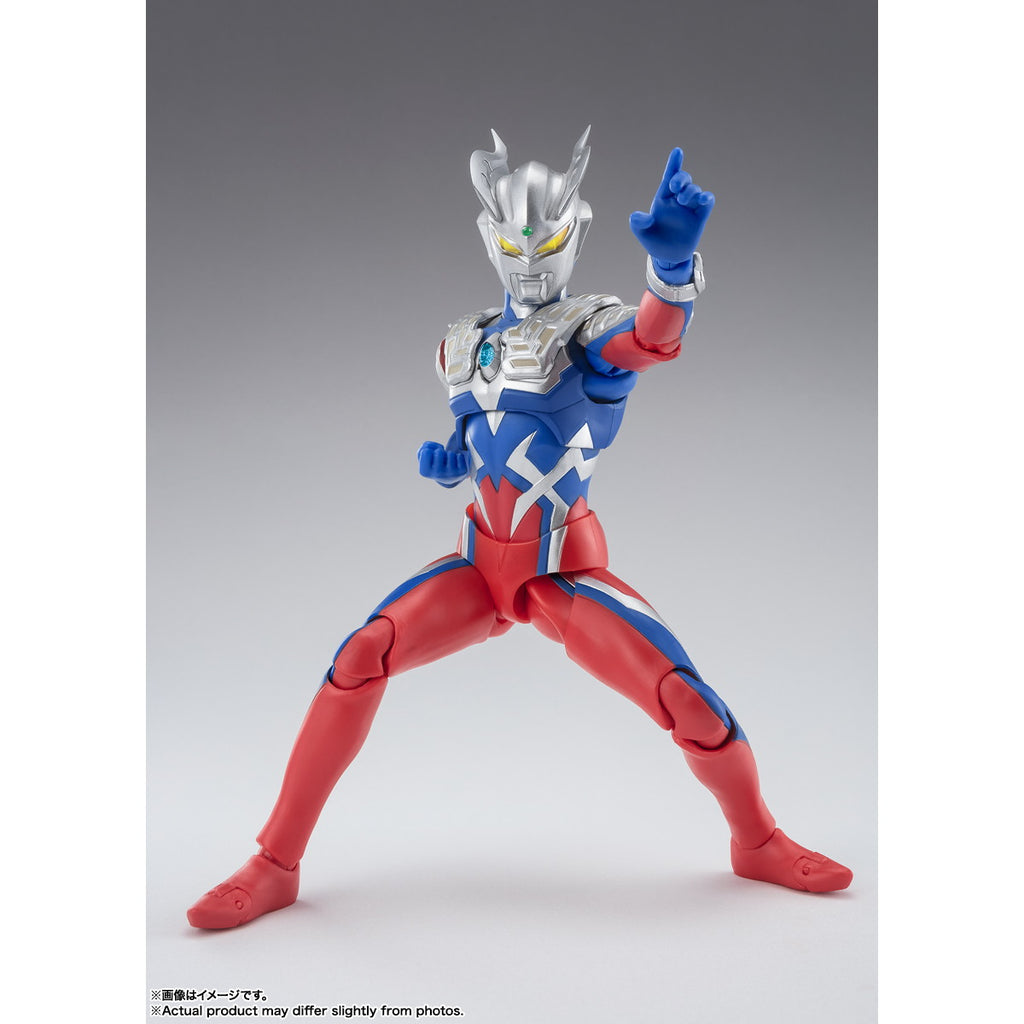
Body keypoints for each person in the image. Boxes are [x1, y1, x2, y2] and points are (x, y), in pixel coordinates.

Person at [187, 130, 852, 930]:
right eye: (512, 242)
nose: (530, 258)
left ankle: (758, 841)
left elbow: (651, 340)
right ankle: (275, 862)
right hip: (476, 569)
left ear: (576, 233)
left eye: (546, 240)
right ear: (488, 238)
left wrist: (672, 268)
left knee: (688, 702)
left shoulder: (588, 333)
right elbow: (479, 434)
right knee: (361, 656)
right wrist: (450, 461)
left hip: (560, 571)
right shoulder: (466, 343)